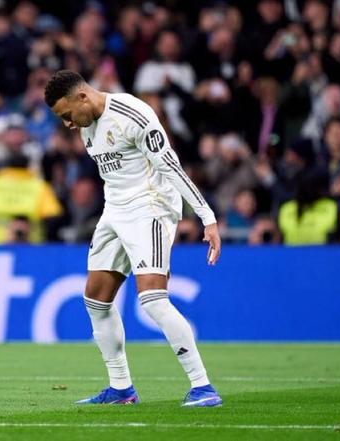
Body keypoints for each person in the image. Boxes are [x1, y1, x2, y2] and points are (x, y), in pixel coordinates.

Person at [44, 70, 222, 407]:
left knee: (153, 299)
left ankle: (203, 387)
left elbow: (170, 166)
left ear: (83, 97)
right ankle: (121, 389)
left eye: (67, 115)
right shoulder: (87, 126)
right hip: (115, 211)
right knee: (95, 300)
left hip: (151, 207)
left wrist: (207, 217)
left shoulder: (132, 114)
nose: (68, 124)